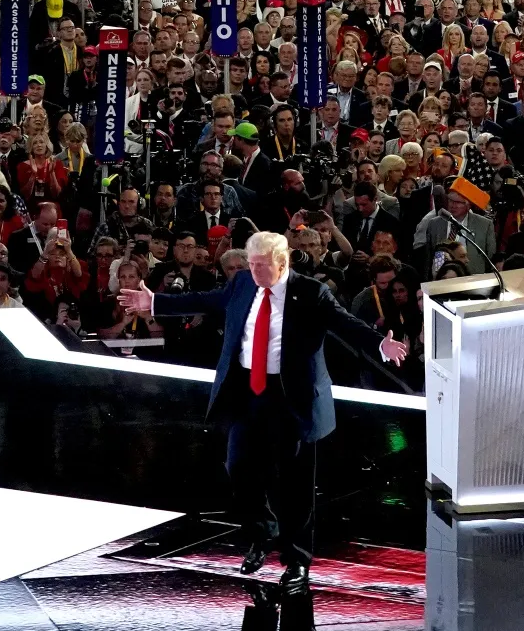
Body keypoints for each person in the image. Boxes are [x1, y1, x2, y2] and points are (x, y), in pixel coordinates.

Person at [118, 231, 409, 585]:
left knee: (294, 482)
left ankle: (297, 560)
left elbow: (345, 323)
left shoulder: (311, 293)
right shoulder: (242, 283)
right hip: (249, 390)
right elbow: (208, 299)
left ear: (282, 263)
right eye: (251, 265)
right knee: (238, 466)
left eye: (261, 266)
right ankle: (263, 531)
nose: (254, 272)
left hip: (293, 397)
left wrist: (382, 344)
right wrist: (156, 303)